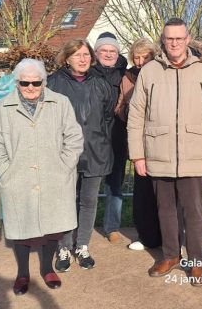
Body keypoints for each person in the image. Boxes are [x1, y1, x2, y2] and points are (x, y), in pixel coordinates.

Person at [127, 18, 202, 286]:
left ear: (187, 38)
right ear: (163, 40)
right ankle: (170, 255)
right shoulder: (149, 71)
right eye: (169, 38)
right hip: (158, 153)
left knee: (194, 211)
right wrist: (137, 154)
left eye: (179, 38)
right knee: (165, 209)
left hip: (195, 154)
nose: (174, 43)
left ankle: (195, 261)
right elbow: (136, 115)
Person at [0, 58, 84, 295]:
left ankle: (47, 269)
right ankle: (22, 274)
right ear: (16, 82)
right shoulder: (2, 107)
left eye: (36, 82)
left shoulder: (60, 103)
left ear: (44, 81)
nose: (30, 87)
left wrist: (65, 165)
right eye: (24, 82)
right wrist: (4, 171)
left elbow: (74, 137)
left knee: (52, 227)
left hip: (54, 177)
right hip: (17, 178)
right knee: (21, 228)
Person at [46, 39, 116, 272]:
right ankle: (64, 247)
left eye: (86, 54)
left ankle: (82, 246)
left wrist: (98, 141)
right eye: (78, 55)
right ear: (67, 58)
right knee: (64, 202)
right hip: (64, 153)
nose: (84, 59)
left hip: (95, 151)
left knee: (89, 201)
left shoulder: (101, 83)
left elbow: (107, 117)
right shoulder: (53, 83)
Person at [115, 37, 162, 251]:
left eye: (146, 57)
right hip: (139, 140)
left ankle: (168, 237)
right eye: (137, 57)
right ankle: (146, 236)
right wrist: (128, 110)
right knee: (142, 191)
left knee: (163, 192)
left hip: (161, 140)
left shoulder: (162, 73)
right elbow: (119, 106)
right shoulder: (128, 76)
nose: (141, 61)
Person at [91, 31, 129, 244]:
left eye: (112, 50)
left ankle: (112, 227)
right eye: (103, 50)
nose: (108, 54)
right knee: (87, 185)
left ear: (118, 53)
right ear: (96, 53)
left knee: (115, 185)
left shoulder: (124, 74)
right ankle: (80, 225)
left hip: (117, 136)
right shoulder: (87, 72)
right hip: (93, 138)